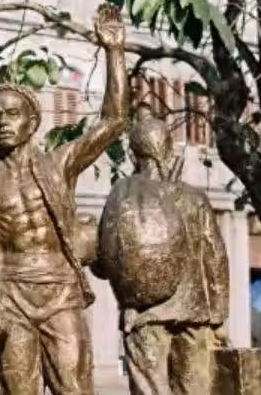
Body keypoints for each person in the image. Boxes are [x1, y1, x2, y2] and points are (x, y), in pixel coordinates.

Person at [0, 3, 129, 395]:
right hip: (9, 298)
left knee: (74, 387)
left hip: (61, 293)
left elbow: (113, 121)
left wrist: (114, 52)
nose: (2, 122)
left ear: (32, 122)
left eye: (12, 114)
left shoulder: (59, 165)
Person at [94, 109, 229, 394]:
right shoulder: (194, 198)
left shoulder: (121, 194)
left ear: (133, 155)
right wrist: (218, 316)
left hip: (143, 313)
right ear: (169, 149)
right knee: (195, 388)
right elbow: (215, 256)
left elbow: (105, 258)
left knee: (151, 389)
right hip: (193, 313)